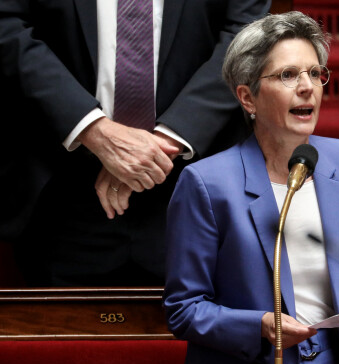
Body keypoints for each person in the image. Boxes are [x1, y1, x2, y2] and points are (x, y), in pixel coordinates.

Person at [163, 11, 339, 364]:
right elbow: (184, 309)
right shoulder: (207, 184)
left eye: (315, 73)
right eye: (288, 75)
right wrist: (259, 325)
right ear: (247, 97)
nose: (307, 86)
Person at [0, 0, 271, 286]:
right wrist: (92, 129)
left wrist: (164, 143)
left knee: (197, 322)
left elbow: (247, 37)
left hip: (192, 186)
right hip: (61, 180)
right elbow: (7, 21)